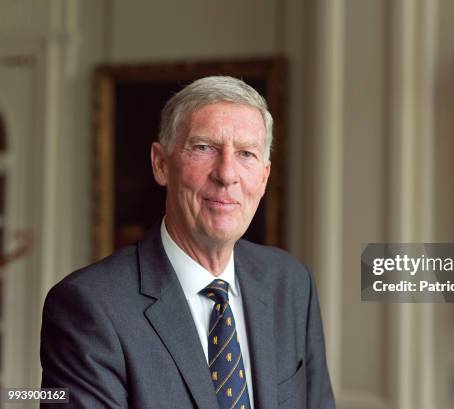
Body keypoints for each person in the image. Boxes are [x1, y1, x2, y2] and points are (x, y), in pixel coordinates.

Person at [40, 76, 336, 409]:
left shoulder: (291, 283)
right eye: (203, 148)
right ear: (161, 164)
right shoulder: (89, 307)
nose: (226, 174)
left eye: (246, 154)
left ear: (263, 177)